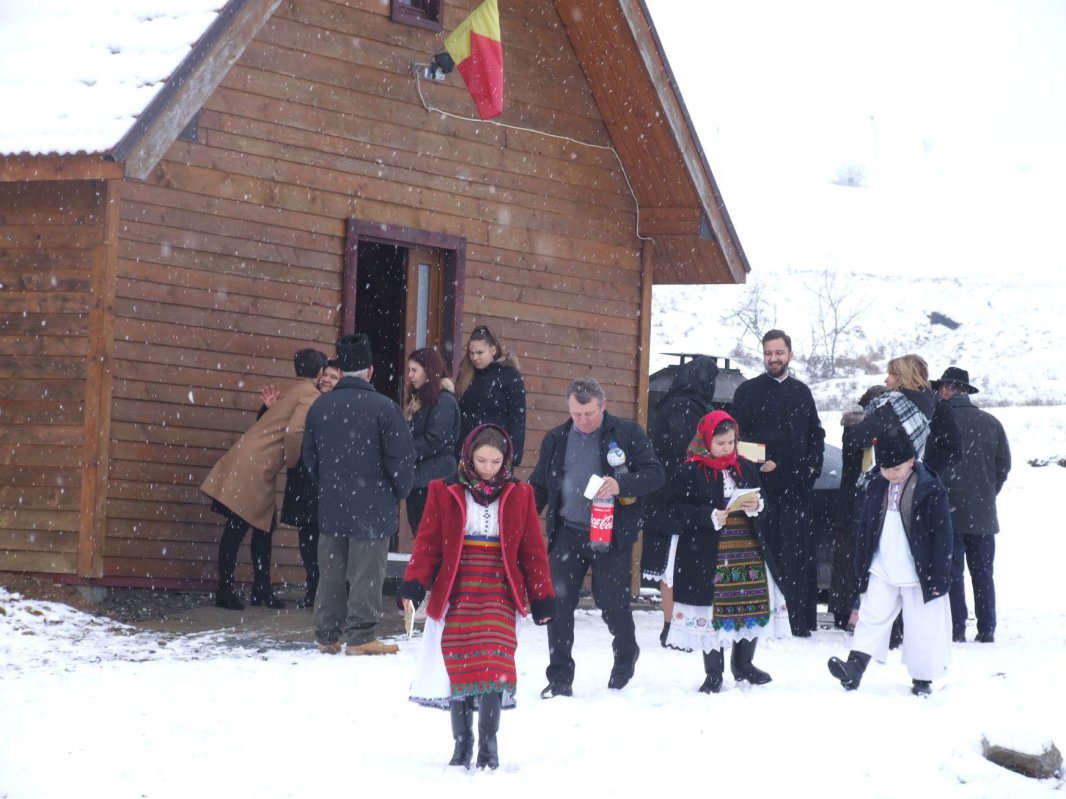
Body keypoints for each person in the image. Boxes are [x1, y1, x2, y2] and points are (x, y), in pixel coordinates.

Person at [396, 424, 555, 771]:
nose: (488, 467)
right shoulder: (444, 491)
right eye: (481, 460)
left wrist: (542, 596)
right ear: (468, 456)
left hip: (499, 589)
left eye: (496, 461)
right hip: (458, 589)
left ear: (506, 460)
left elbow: (532, 551)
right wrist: (413, 584)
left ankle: (488, 744)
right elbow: (428, 544)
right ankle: (461, 743)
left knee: (494, 662)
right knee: (459, 665)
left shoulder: (520, 494)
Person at [530, 377, 664, 697]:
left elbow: (655, 474)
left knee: (611, 601)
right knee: (558, 603)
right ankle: (560, 678)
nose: (583, 420)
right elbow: (538, 485)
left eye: (589, 413)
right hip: (567, 532)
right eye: (576, 414)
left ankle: (625, 655)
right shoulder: (557, 438)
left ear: (602, 405)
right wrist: (520, 517)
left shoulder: (627, 433)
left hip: (610, 533)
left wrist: (622, 485)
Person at [301, 334, 415, 655]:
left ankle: (327, 635)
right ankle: (362, 636)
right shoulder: (385, 408)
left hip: (332, 501)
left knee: (332, 572)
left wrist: (327, 484)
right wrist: (399, 490)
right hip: (373, 503)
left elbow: (309, 458)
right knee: (367, 571)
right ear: (370, 371)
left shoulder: (320, 406)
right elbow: (401, 459)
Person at [666, 411, 789, 692]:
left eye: (731, 442)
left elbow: (764, 502)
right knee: (713, 610)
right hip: (707, 552)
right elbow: (673, 510)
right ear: (707, 439)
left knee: (749, 602)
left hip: (746, 547)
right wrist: (707, 514)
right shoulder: (690, 470)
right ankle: (714, 672)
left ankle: (743, 665)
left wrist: (756, 506)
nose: (727, 448)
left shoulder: (744, 467)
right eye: (720, 443)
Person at [827, 426, 954, 696]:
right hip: (883, 564)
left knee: (922, 626)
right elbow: (865, 527)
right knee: (871, 616)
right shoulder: (876, 484)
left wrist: (941, 575)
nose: (890, 474)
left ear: (911, 460)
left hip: (920, 571)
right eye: (885, 468)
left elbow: (943, 536)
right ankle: (854, 668)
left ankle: (922, 678)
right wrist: (861, 564)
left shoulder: (930, 488)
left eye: (896, 469)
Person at [201, 348, 325, 610]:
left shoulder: (295, 391)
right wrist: (293, 462)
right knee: (238, 527)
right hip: (256, 466)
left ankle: (260, 589)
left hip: (250, 459)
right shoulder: (311, 396)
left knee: (263, 528)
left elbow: (275, 423)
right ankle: (228, 590)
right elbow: (294, 432)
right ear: (320, 372)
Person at [729, 330, 825, 636]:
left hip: (797, 491)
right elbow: (736, 439)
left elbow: (816, 434)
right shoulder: (748, 392)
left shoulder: (801, 391)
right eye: (768, 353)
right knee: (763, 555)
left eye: (779, 353)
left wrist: (811, 467)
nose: (773, 359)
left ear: (790, 355)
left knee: (797, 558)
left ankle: (797, 621)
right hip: (763, 493)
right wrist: (760, 460)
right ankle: (763, 621)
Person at [641, 355, 720, 647]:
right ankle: (672, 627)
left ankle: (673, 625)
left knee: (671, 565)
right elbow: (687, 448)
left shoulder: (675, 401)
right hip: (676, 497)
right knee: (673, 565)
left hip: (667, 495)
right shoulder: (686, 406)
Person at [932, 367, 1011, 644]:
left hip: (947, 512)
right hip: (983, 515)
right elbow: (1004, 466)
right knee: (983, 574)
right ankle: (987, 629)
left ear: (946, 389)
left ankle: (956, 629)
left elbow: (931, 465)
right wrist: (988, 492)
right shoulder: (991, 422)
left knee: (953, 574)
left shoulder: (937, 421)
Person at [279, 355, 338, 609]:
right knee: (307, 536)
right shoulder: (308, 398)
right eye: (326, 374)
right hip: (305, 477)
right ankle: (313, 587)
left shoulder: (338, 405)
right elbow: (285, 425)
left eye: (335, 377)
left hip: (326, 480)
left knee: (326, 539)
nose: (327, 380)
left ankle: (326, 591)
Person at [828, 384, 887, 630]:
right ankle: (851, 611)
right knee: (856, 561)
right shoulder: (863, 430)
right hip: (859, 503)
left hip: (849, 503)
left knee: (847, 561)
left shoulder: (853, 427)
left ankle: (844, 611)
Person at [404, 348, 461, 533]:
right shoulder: (425, 400)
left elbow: (434, 440)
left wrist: (404, 451)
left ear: (428, 370)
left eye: (414, 370)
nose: (410, 375)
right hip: (423, 479)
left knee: (431, 538)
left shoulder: (443, 401)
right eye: (409, 370)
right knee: (423, 537)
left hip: (436, 479)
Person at [455, 325, 527, 466]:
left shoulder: (509, 375)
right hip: (466, 452)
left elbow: (518, 417)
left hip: (496, 453)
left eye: (480, 353)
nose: (474, 357)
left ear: (493, 350)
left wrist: (513, 455)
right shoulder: (466, 375)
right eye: (471, 353)